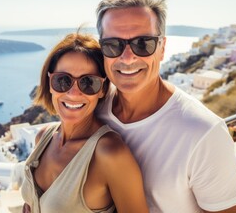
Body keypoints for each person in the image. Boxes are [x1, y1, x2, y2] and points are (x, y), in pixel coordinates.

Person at [95, 0, 236, 213]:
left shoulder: (203, 132)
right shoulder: (94, 110)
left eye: (143, 43)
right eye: (113, 45)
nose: (127, 58)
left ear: (162, 48)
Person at [21, 32, 149, 213]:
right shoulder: (43, 137)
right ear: (50, 82)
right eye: (62, 80)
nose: (73, 93)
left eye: (88, 82)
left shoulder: (109, 154)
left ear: (102, 89)